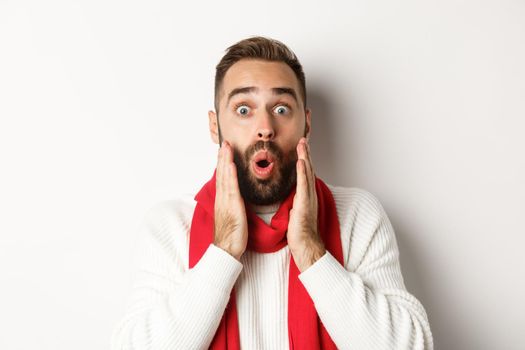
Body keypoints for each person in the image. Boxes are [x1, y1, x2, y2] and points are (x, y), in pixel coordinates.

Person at [110, 36, 433, 350]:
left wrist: (310, 250)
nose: (265, 127)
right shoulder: (171, 224)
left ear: (306, 123)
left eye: (281, 109)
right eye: (243, 110)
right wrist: (222, 251)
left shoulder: (357, 213)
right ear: (214, 126)